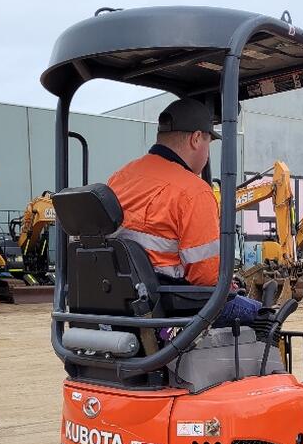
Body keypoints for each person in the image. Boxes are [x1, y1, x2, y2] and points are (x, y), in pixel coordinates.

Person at [106, 98, 263, 327]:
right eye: (208, 143)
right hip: (165, 306)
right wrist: (229, 286)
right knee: (263, 316)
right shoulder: (193, 191)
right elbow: (207, 278)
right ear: (196, 138)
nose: (207, 154)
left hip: (119, 303)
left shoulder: (120, 177)